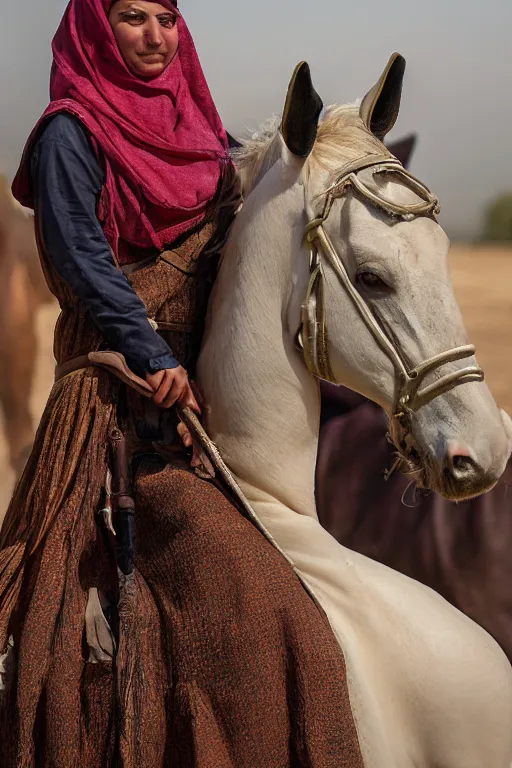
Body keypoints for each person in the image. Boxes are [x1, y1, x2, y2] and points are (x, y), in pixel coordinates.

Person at [0, 2, 365, 765]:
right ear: (97, 27)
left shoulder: (202, 134)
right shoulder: (72, 133)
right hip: (117, 409)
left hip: (211, 406)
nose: (155, 36)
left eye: (167, 17)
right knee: (250, 595)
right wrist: (150, 354)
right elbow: (81, 257)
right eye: (131, 17)